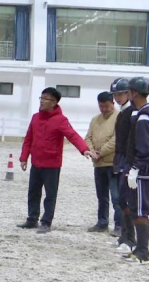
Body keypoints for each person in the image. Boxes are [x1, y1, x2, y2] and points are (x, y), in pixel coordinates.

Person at [17, 87, 95, 234]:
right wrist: (24, 157)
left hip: (52, 165)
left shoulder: (61, 120)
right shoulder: (35, 118)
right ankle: (32, 219)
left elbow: (72, 135)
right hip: (36, 163)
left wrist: (84, 149)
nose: (42, 101)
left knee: (50, 195)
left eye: (45, 98)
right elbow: (28, 139)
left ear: (54, 102)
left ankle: (46, 222)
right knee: (33, 192)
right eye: (41, 98)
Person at [123, 77, 149, 265]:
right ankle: (139, 249)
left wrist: (135, 168)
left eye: (128, 91)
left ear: (135, 93)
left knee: (140, 211)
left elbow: (145, 149)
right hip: (142, 171)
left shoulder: (144, 117)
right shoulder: (144, 113)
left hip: (142, 172)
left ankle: (142, 252)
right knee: (136, 209)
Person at [85, 92, 121, 234]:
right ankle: (102, 222)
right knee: (102, 196)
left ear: (112, 103)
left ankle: (119, 226)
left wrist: (100, 153)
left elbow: (116, 140)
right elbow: (88, 137)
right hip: (98, 164)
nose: (104, 109)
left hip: (113, 164)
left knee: (116, 197)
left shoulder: (119, 118)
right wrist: (92, 151)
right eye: (101, 106)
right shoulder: (95, 119)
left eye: (106, 106)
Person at [108, 78, 137, 253]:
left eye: (120, 94)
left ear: (128, 93)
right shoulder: (122, 112)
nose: (117, 98)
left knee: (126, 201)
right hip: (120, 158)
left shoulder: (132, 112)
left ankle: (130, 239)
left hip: (127, 159)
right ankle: (123, 237)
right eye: (115, 95)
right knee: (121, 199)